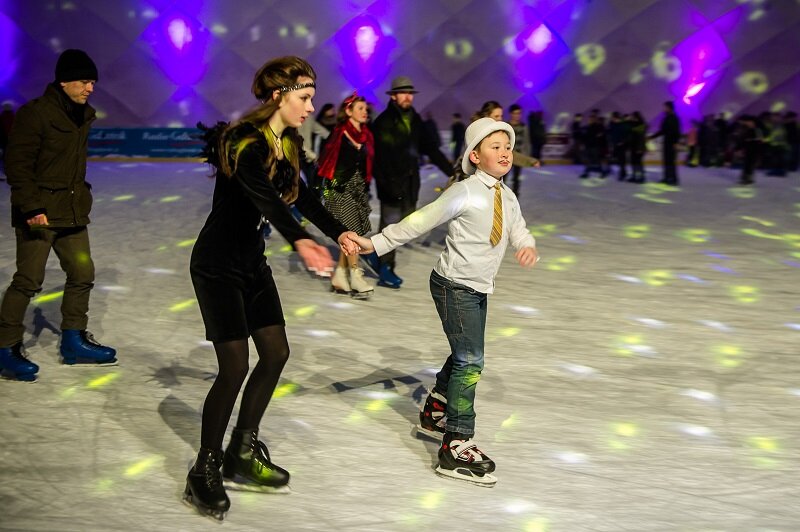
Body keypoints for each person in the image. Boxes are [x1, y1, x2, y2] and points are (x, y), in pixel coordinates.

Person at [186, 56, 358, 520]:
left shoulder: (288, 142)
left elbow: (300, 197)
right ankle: (204, 468)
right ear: (280, 94)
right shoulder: (245, 141)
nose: (311, 106)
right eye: (304, 97)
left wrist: (337, 231)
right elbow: (262, 194)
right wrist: (300, 239)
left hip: (251, 264)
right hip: (217, 265)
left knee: (277, 353)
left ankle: (242, 451)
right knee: (234, 365)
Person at [348, 118, 539, 487]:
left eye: (507, 146)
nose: (504, 152)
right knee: (471, 361)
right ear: (474, 156)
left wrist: (526, 244)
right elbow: (420, 220)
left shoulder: (507, 196)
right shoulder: (464, 192)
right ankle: (456, 443)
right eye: (494, 146)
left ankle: (436, 409)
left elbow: (517, 227)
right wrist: (377, 243)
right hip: (454, 286)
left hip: (479, 286)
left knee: (464, 353)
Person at [0, 49, 116, 382]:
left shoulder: (83, 114)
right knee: (28, 280)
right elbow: (17, 165)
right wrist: (31, 208)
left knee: (82, 272)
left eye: (92, 82)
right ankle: (6, 347)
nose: (90, 88)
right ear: (63, 81)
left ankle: (73, 340)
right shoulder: (35, 114)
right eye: (84, 81)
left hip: (72, 212)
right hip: (40, 215)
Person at [370, 76, 452, 289]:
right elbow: (377, 158)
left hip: (409, 184)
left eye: (410, 94)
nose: (407, 97)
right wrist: (385, 183)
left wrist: (452, 171)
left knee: (405, 224)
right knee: (390, 225)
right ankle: (386, 268)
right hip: (390, 183)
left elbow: (431, 149)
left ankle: (375, 255)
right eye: (403, 93)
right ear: (394, 96)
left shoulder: (415, 120)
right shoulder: (383, 122)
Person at [317, 92, 374, 299]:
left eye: (365, 109)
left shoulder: (366, 135)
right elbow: (325, 162)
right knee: (351, 234)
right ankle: (356, 275)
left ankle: (339, 276)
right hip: (338, 190)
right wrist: (321, 190)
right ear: (348, 111)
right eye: (360, 109)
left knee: (352, 232)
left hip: (357, 190)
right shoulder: (339, 134)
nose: (364, 112)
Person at [649, 101, 681, 185]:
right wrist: (652, 137)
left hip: (672, 143)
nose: (663, 109)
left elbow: (677, 131)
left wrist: (676, 142)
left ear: (669, 108)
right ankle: (667, 177)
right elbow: (662, 131)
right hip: (666, 142)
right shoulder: (666, 118)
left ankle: (673, 179)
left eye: (665, 107)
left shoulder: (674, 118)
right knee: (666, 161)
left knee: (671, 161)